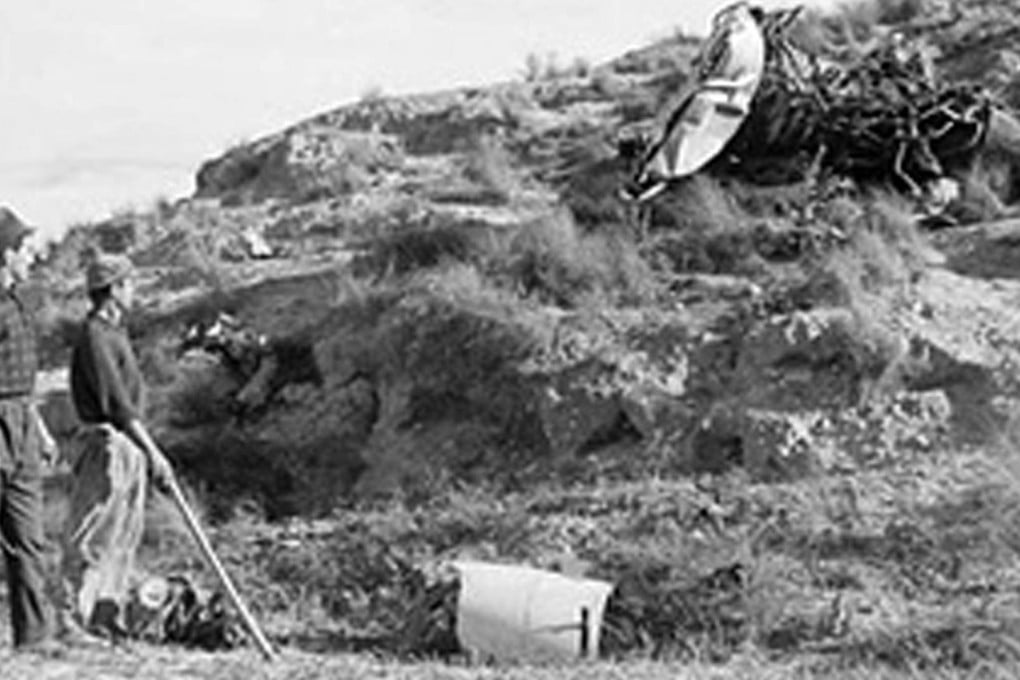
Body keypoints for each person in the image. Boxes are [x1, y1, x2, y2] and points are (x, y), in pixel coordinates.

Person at [61, 252, 174, 638]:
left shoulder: (115, 333)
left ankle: (105, 618)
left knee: (123, 534)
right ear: (114, 290)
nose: (135, 290)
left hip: (128, 446)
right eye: (129, 283)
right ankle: (73, 619)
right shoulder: (94, 336)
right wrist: (154, 451)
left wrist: (143, 449)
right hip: (105, 443)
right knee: (92, 535)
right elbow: (116, 404)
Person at [0, 206, 57, 650]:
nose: (29, 256)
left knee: (28, 536)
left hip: (21, 419)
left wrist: (39, 428)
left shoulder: (20, 301)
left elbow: (23, 379)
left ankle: (34, 638)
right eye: (22, 248)